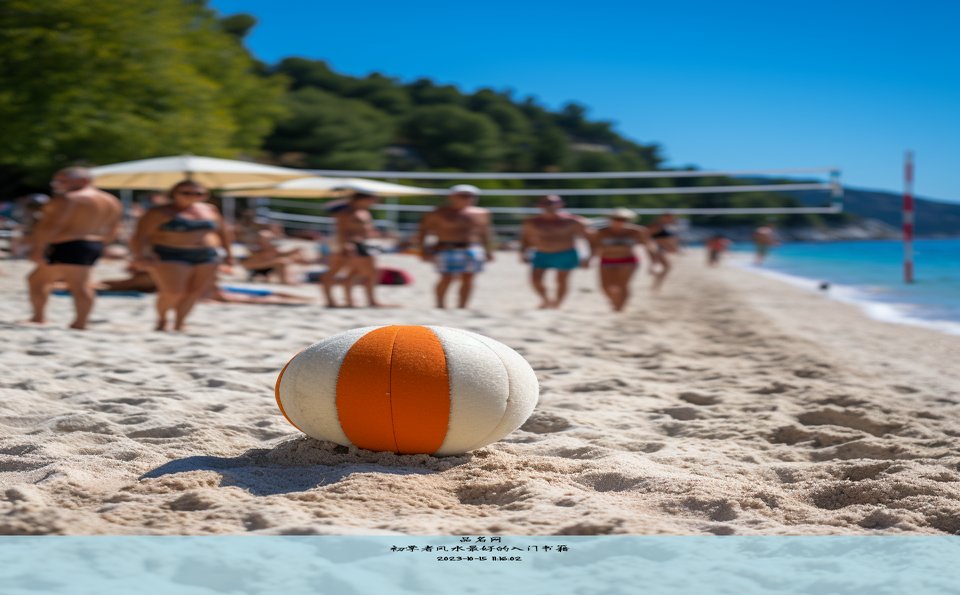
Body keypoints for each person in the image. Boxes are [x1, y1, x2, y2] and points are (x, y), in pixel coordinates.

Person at [130, 180, 233, 331]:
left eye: (198, 193)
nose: (192, 196)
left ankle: (180, 322)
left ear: (205, 195)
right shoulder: (160, 212)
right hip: (169, 253)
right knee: (173, 291)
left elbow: (223, 233)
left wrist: (229, 255)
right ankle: (162, 319)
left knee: (194, 292)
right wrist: (140, 255)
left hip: (206, 255)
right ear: (174, 193)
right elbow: (140, 236)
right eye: (186, 192)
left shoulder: (210, 210)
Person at [26, 167, 122, 329]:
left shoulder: (69, 199)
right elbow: (114, 229)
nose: (57, 184)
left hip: (69, 243)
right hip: (93, 244)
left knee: (69, 284)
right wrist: (104, 246)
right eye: (56, 180)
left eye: (62, 180)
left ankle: (43, 317)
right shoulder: (111, 200)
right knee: (48, 280)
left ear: (83, 181)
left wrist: (38, 248)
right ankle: (79, 321)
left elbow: (52, 225)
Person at [417, 184, 494, 309]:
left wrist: (489, 251)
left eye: (471, 196)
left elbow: (486, 233)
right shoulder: (438, 213)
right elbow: (423, 232)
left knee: (468, 278)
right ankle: (440, 305)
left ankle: (462, 306)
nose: (468, 198)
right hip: (446, 247)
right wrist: (422, 250)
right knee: (446, 277)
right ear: (452, 197)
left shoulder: (482, 213)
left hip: (472, 248)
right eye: (464, 196)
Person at [519, 195, 592, 309]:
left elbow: (588, 238)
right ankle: (546, 300)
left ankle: (557, 303)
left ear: (561, 205)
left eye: (554, 203)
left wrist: (587, 257)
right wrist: (523, 253)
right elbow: (525, 239)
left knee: (561, 280)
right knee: (535, 280)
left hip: (565, 253)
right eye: (547, 203)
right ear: (540, 206)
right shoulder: (532, 222)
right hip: (542, 253)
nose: (551, 206)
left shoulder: (573, 221)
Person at [321, 192, 387, 307]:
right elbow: (340, 230)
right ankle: (332, 301)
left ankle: (362, 300)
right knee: (335, 271)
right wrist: (345, 244)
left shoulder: (364, 212)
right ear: (361, 199)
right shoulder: (346, 212)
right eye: (372, 199)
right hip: (348, 244)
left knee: (365, 272)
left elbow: (366, 229)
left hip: (362, 243)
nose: (374, 202)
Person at [590, 208, 657, 312]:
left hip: (628, 260)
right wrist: (589, 259)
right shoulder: (601, 232)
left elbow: (649, 247)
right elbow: (594, 247)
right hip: (606, 260)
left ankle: (620, 308)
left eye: (624, 219)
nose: (619, 221)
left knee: (622, 285)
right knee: (605, 287)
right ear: (610, 219)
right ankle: (615, 303)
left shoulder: (637, 231)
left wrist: (653, 263)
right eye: (616, 219)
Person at [647, 212, 680, 292]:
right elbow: (648, 237)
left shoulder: (665, 226)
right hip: (655, 249)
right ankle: (656, 285)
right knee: (665, 267)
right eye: (670, 217)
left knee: (666, 267)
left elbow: (667, 239)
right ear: (663, 217)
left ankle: (656, 285)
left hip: (659, 249)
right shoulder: (657, 225)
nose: (672, 219)